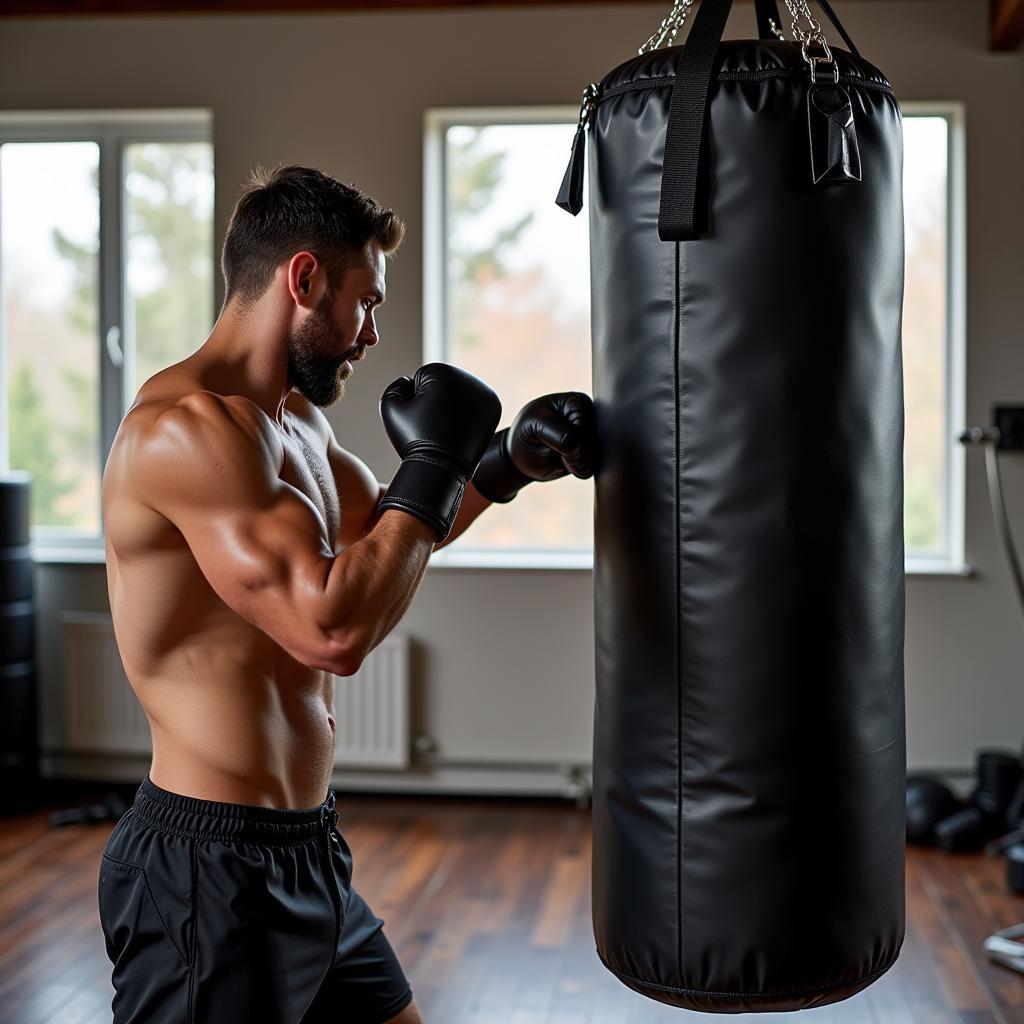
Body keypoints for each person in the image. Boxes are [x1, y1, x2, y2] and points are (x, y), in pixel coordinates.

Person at [97, 164, 597, 1024]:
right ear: (304, 279)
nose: (371, 335)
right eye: (366, 303)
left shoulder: (299, 426)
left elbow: (386, 541)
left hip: (307, 850)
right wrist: (435, 463)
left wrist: (506, 461)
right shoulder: (181, 433)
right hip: (206, 875)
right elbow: (332, 630)